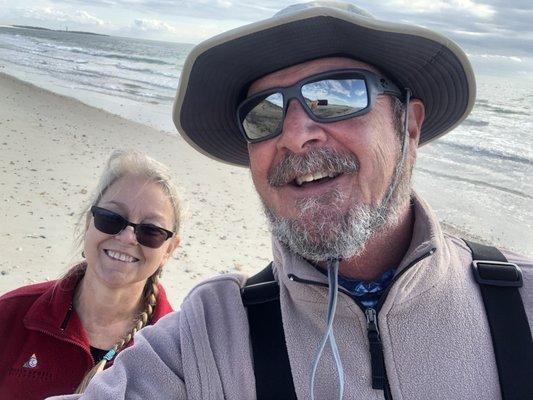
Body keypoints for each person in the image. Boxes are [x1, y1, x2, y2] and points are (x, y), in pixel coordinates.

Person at [48, 2, 532, 400]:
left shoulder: (521, 302)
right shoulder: (210, 334)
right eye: (264, 114)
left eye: (336, 95)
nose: (297, 134)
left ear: (409, 123)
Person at [0, 150, 181, 399]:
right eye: (111, 218)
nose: (127, 238)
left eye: (151, 231)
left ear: (169, 249)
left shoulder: (177, 349)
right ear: (89, 223)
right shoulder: (12, 314)